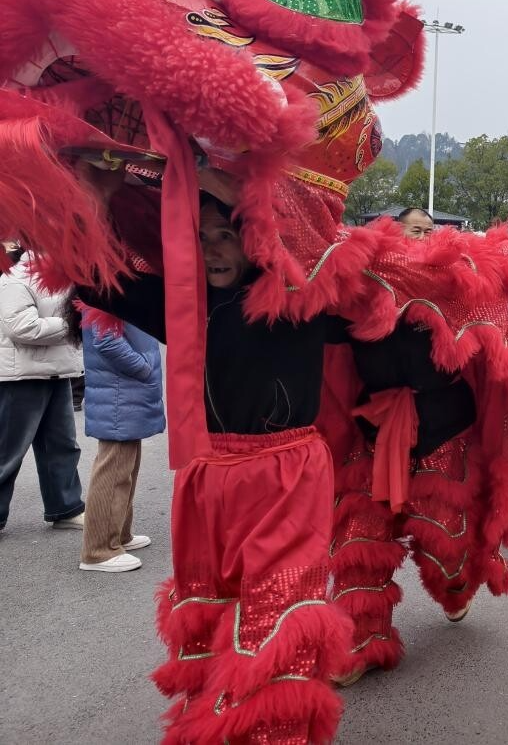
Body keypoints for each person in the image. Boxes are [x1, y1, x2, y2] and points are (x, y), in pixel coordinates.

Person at [85, 197, 354, 742]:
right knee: (212, 603)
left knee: (275, 608)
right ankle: (218, 719)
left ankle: (275, 731)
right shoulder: (184, 301)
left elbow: (314, 247)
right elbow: (93, 275)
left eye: (224, 235)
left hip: (286, 476)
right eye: (200, 236)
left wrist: (216, 175)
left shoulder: (300, 296)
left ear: (256, 237)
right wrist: (97, 189)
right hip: (206, 478)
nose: (211, 250)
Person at [0, 242, 85, 534]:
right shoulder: (17, 276)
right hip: (20, 377)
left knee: (61, 446)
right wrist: (70, 325)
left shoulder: (62, 274)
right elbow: (20, 326)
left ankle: (66, 507)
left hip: (56, 371)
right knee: (7, 451)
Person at [76, 314, 165, 573]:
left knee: (125, 467)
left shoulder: (112, 285)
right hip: (120, 390)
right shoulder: (104, 286)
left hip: (124, 390)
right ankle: (98, 550)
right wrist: (144, 367)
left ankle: (119, 535)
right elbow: (106, 341)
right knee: (114, 469)